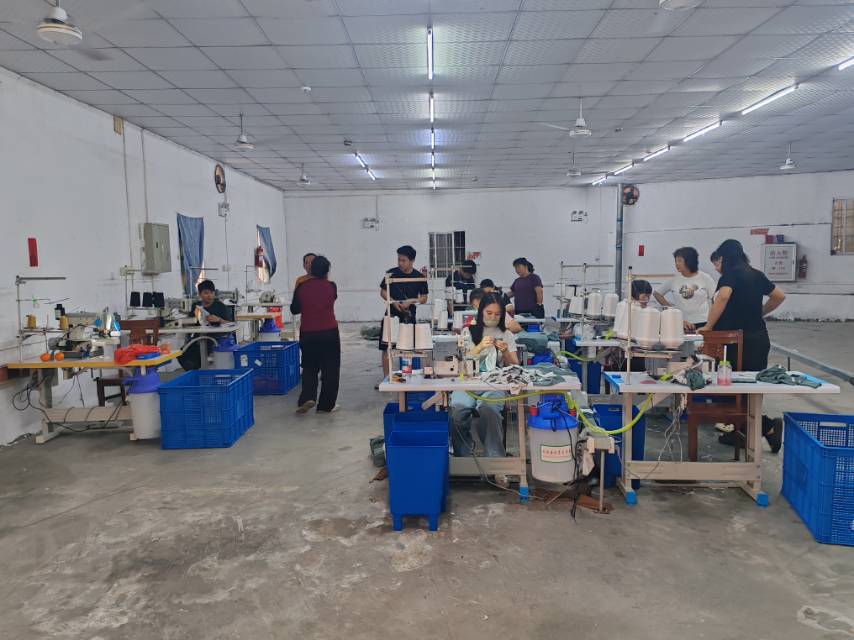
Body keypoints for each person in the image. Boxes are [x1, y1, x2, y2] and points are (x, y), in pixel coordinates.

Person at [700, 239, 787, 451]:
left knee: (731, 388)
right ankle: (742, 432)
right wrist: (760, 312)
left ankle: (767, 427)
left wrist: (708, 327)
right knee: (749, 389)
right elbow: (779, 296)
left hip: (735, 342)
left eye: (718, 260)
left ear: (724, 257)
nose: (717, 265)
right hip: (758, 339)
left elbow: (723, 297)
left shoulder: (731, 275)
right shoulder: (756, 274)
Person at [450, 293, 519, 484]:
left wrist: (505, 351)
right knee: (457, 409)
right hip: (468, 382)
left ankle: (495, 463)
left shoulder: (506, 334)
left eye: (497, 314)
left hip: (494, 383)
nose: (493, 318)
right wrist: (479, 347)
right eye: (489, 313)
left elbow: (516, 365)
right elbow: (461, 361)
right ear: (481, 312)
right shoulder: (468, 332)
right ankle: (464, 460)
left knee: (489, 409)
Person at [291, 255, 340, 414]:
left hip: (308, 332)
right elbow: (332, 298)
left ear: (311, 269)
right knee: (330, 368)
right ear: (327, 271)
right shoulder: (331, 286)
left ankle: (308, 397)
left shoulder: (301, 286)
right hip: (329, 332)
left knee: (309, 366)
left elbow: (294, 309)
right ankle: (326, 405)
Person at [379, 245, 428, 376]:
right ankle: (387, 378)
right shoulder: (391, 274)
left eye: (403, 260)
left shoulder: (419, 277)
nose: (400, 263)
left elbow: (424, 298)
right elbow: (383, 292)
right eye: (399, 259)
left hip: (409, 316)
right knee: (387, 348)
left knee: (408, 347)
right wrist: (394, 302)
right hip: (391, 315)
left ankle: (408, 377)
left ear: (412, 261)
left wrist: (411, 301)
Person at [654, 247, 717, 331]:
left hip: (703, 321)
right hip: (682, 322)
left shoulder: (705, 277)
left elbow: (715, 300)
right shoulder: (674, 280)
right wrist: (671, 309)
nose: (676, 264)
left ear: (689, 261)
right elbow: (657, 293)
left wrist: (712, 322)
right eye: (675, 261)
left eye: (679, 261)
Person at [177, 280, 234, 370]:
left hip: (215, 339)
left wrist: (219, 319)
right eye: (206, 293)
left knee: (201, 353)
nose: (209, 295)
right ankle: (195, 372)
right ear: (200, 294)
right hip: (198, 338)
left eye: (212, 293)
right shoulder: (196, 306)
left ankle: (200, 370)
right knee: (181, 353)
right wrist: (185, 322)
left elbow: (231, 323)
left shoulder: (220, 306)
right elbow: (191, 320)